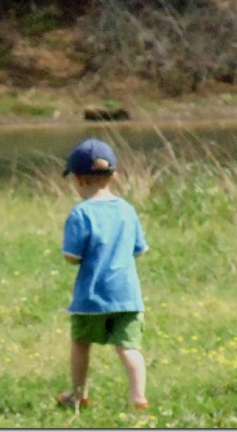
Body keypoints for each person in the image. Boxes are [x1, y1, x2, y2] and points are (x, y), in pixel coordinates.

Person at [56, 138, 150, 413]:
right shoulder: (127, 210)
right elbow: (139, 249)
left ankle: (78, 394)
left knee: (81, 343)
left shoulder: (81, 213)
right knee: (129, 347)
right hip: (128, 296)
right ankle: (138, 397)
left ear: (78, 179)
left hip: (92, 296)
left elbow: (72, 256)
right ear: (114, 175)